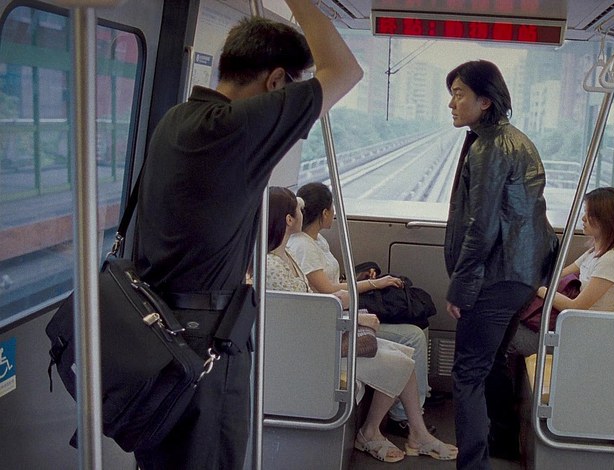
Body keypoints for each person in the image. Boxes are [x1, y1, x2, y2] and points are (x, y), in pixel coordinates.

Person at [132, 2, 363, 468]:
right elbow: (345, 70)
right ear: (276, 82)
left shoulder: (177, 119)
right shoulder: (234, 128)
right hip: (204, 342)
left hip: (160, 330)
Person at [265, 187, 457, 463]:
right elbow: (306, 311)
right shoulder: (274, 265)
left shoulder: (286, 255)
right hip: (312, 346)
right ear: (288, 219)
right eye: (297, 210)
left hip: (319, 333)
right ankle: (380, 433)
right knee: (402, 362)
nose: (302, 213)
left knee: (405, 356)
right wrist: (356, 315)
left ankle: (411, 433)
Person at [443, 60, 557, 469]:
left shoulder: (489, 148)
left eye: (459, 94)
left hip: (496, 277)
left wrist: (461, 287)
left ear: (485, 101)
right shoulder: (519, 141)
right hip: (522, 274)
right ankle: (503, 443)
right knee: (491, 361)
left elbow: (482, 225)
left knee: (467, 373)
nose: (452, 103)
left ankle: (473, 464)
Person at [286, 182, 434, 437]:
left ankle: (411, 408)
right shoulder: (303, 247)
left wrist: (359, 278)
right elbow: (328, 290)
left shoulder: (317, 241)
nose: (334, 214)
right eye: (332, 209)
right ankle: (404, 417)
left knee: (418, 327)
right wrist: (375, 284)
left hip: (344, 308)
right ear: (324, 212)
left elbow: (332, 280)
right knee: (413, 337)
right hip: (335, 316)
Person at [508, 186, 614, 357]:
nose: (583, 218)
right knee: (505, 323)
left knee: (504, 333)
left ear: (606, 221)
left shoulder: (612, 261)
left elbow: (576, 306)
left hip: (583, 337)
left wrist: (540, 289)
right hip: (571, 327)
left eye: (589, 215)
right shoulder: (594, 253)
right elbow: (557, 275)